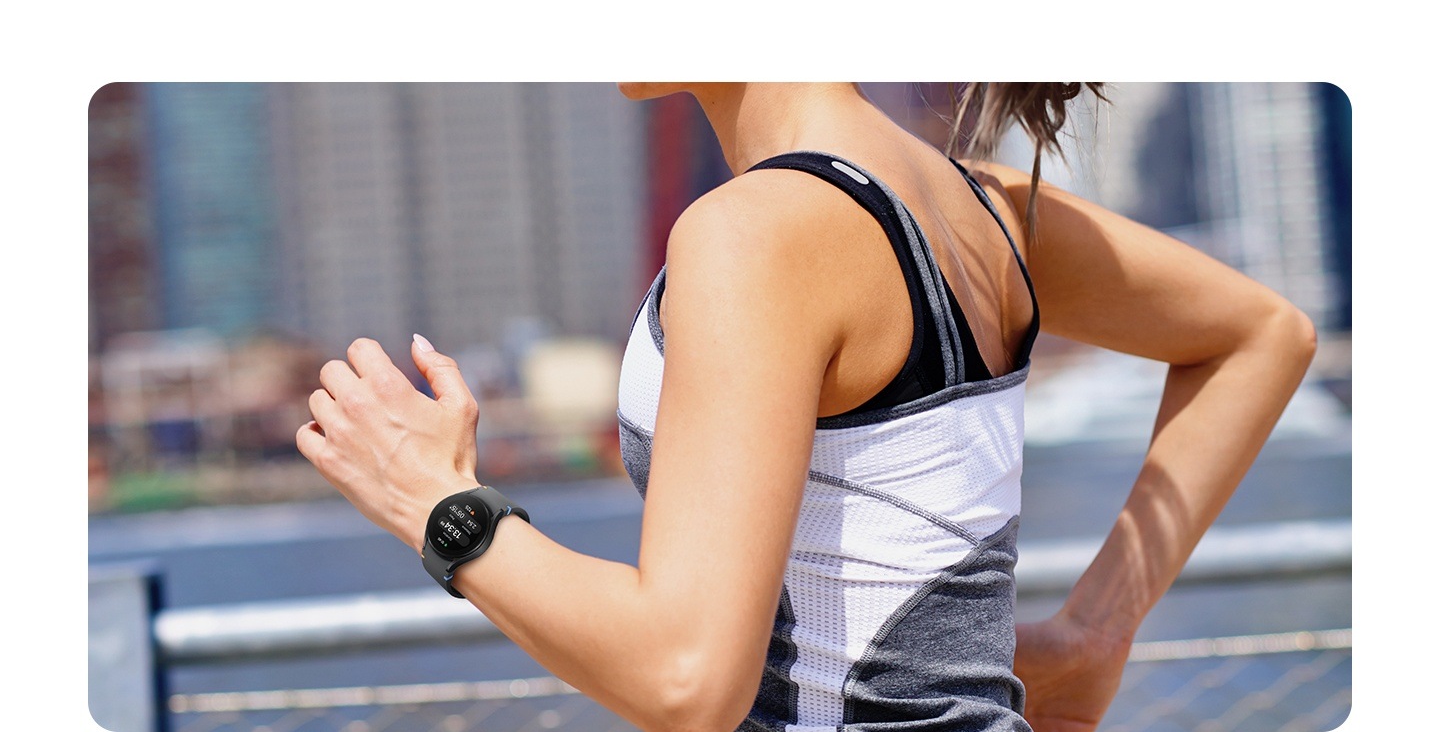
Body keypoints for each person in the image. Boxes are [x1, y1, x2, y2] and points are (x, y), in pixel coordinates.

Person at [297, 82, 1317, 732]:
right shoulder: (972, 202)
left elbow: (686, 678)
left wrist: (440, 505)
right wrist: (1094, 633)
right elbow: (1262, 333)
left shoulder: (760, 234)